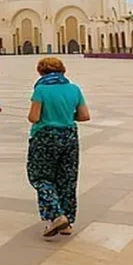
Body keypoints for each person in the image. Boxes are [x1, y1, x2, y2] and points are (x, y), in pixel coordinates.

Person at [26, 57, 90, 239]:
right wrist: (66, 116)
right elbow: (84, 116)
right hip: (69, 136)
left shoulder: (41, 89)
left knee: (40, 177)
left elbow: (34, 117)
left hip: (45, 137)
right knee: (67, 178)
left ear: (41, 72)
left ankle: (56, 214)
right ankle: (67, 222)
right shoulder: (74, 89)